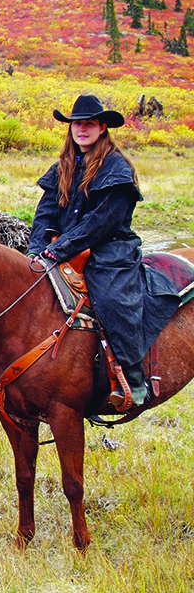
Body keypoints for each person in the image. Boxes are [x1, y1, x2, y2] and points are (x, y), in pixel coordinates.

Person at [27, 94, 179, 409]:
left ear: (101, 128)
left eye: (89, 124)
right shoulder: (63, 166)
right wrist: (36, 253)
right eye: (76, 124)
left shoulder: (116, 168)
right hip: (65, 248)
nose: (82, 129)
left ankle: (131, 376)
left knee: (113, 299)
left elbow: (102, 223)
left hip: (110, 251)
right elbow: (45, 214)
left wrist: (61, 248)